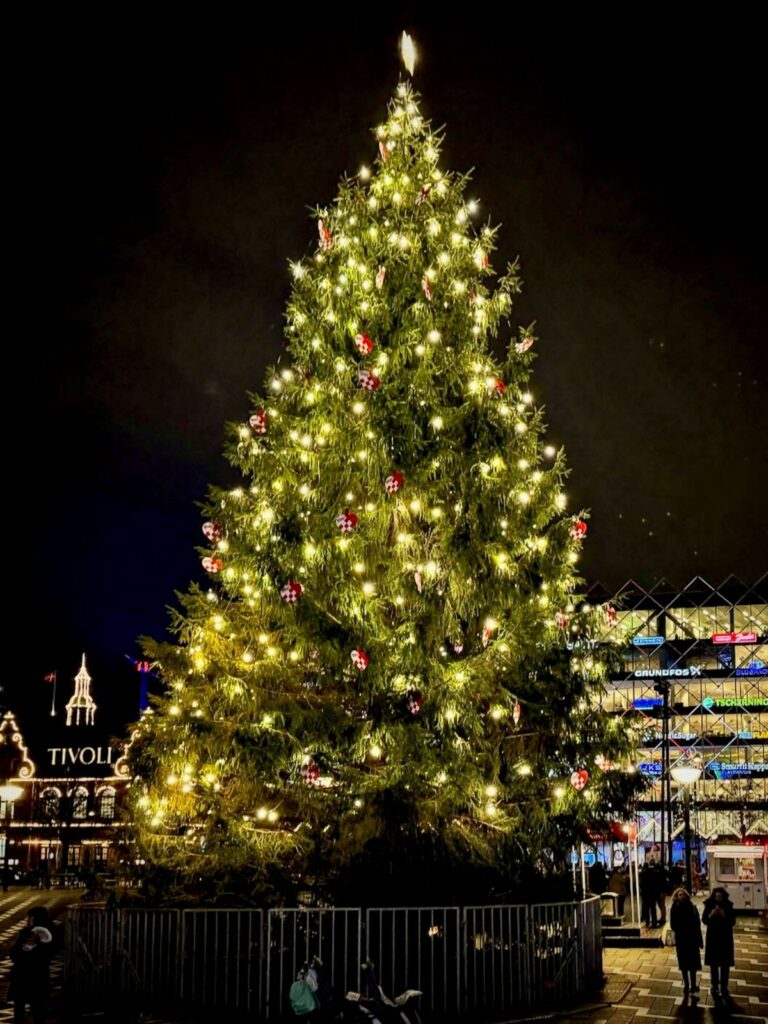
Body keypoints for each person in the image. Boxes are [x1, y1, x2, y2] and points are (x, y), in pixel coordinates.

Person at [8, 906, 54, 1024]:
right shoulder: (50, 935)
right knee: (38, 1011)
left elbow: (13, 953)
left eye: (28, 917)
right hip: (40, 978)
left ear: (33, 918)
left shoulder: (28, 933)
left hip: (22, 978)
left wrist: (25, 949)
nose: (26, 920)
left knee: (19, 1010)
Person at [702, 887, 736, 1000]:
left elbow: (732, 922)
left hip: (725, 938)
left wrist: (723, 914)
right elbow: (704, 920)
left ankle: (724, 986)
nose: (718, 898)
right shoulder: (709, 905)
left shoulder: (728, 906)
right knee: (714, 964)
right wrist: (711, 914)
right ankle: (715, 985)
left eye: (720, 896)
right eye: (716, 896)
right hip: (713, 938)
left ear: (723, 896)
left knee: (725, 964)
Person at [669, 887, 703, 997]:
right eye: (679, 895)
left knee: (692, 965)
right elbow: (673, 924)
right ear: (676, 897)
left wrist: (699, 939)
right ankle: (686, 984)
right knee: (683, 964)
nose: (681, 896)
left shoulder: (692, 907)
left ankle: (693, 985)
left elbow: (697, 923)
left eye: (683, 894)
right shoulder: (675, 908)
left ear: (686, 896)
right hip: (682, 939)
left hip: (691, 939)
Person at [639, 863, 658, 928]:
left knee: (646, 909)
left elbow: (641, 885)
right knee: (653, 909)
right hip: (652, 894)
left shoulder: (643, 875)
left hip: (645, 894)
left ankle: (647, 922)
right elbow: (655, 884)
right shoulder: (653, 874)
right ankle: (654, 922)